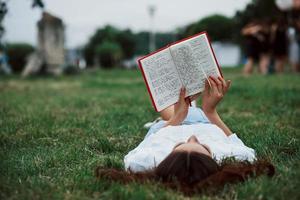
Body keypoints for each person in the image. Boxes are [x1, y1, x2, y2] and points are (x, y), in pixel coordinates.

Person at [96, 76, 274, 195]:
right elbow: (233, 140)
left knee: (171, 111)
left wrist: (176, 119)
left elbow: (135, 155)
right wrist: (211, 112)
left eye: (180, 144)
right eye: (203, 146)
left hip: (165, 129)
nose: (192, 137)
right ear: (214, 161)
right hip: (205, 122)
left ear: (168, 156)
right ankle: (189, 104)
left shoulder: (147, 160)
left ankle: (178, 107)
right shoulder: (236, 157)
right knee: (192, 112)